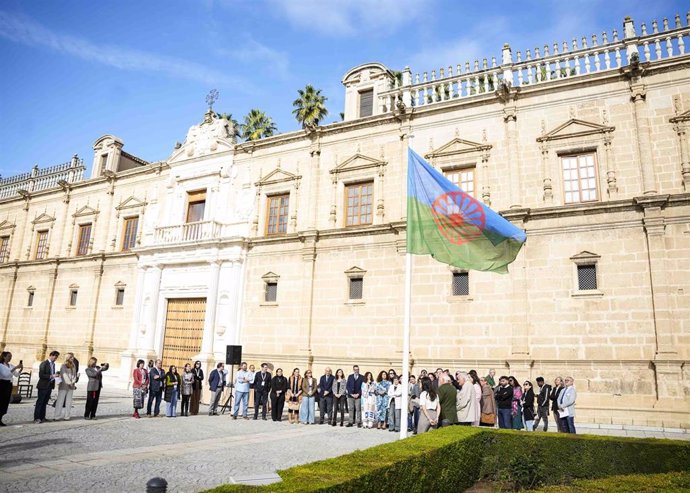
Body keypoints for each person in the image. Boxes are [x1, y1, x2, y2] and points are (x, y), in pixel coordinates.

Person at [0, 351, 23, 426]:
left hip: (9, 384)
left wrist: (20, 369)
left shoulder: (10, 365)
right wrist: (16, 367)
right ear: (4, 357)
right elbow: (5, 374)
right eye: (9, 356)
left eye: (11, 356)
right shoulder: (1, 365)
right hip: (2, 384)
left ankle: (0, 418)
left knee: (5, 402)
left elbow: (16, 375)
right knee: (1, 401)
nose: (10, 358)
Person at [54, 353, 77, 421]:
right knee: (60, 401)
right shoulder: (63, 366)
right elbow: (64, 376)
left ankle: (67, 416)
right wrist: (69, 383)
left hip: (71, 386)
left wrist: (73, 381)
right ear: (67, 358)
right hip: (64, 385)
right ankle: (57, 416)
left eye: (73, 357)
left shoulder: (73, 365)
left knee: (69, 402)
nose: (72, 358)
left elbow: (74, 374)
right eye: (71, 357)